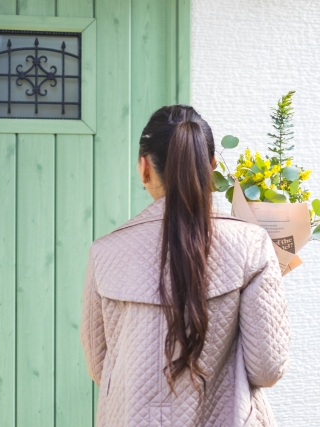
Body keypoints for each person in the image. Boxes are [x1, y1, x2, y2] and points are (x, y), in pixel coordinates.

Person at [80, 104, 290, 426]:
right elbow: (267, 367)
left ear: (144, 168)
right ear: (212, 166)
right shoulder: (251, 245)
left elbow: (101, 367)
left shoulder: (105, 252)